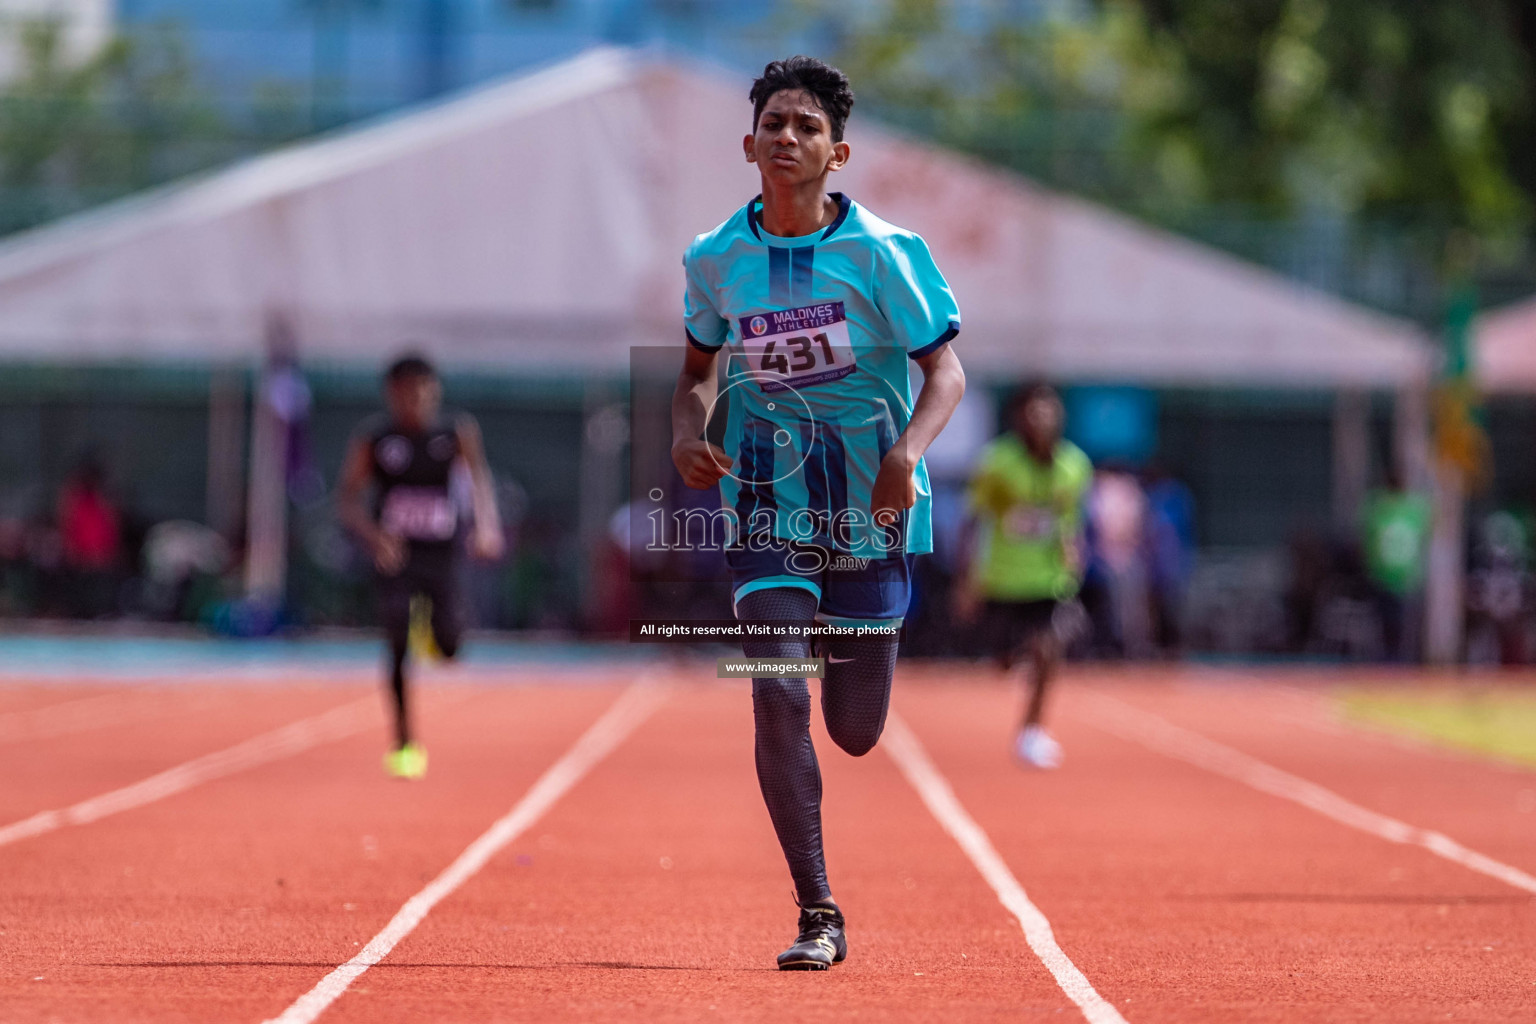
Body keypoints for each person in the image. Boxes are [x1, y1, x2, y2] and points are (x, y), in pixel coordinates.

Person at [671, 56, 965, 971]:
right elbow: (693, 378)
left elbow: (946, 373)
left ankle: (866, 637)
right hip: (764, 498)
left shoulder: (885, 253)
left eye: (807, 127)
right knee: (775, 688)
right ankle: (818, 911)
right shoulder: (715, 259)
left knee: (854, 730)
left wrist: (906, 455)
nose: (788, 139)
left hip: (867, 505)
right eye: (775, 124)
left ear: (838, 152)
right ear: (749, 143)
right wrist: (688, 435)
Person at [338, 354, 503, 779]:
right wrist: (375, 536)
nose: (416, 401)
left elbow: (479, 480)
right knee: (394, 636)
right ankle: (405, 741)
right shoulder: (375, 439)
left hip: (440, 555)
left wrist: (486, 527)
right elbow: (347, 499)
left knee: (450, 647)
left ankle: (431, 628)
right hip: (395, 555)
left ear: (435, 392)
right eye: (406, 393)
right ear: (392, 395)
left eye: (423, 392)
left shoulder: (456, 433)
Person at [957, 383, 1091, 769]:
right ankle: (1011, 659)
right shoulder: (997, 463)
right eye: (1033, 412)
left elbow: (1071, 521)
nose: (1041, 420)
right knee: (1004, 660)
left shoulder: (1075, 465)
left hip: (1049, 580)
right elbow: (974, 519)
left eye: (1049, 411)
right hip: (1002, 578)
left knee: (1049, 649)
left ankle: (1032, 731)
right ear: (1020, 418)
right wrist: (966, 579)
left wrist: (1073, 553)